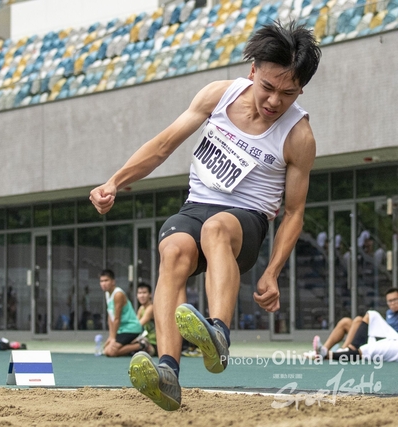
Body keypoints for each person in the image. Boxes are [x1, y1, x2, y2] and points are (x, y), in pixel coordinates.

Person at [90, 21, 321, 411]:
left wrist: (272, 272)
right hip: (196, 206)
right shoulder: (219, 95)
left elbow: (295, 212)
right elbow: (163, 146)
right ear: (253, 71)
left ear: (300, 90)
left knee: (216, 229)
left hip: (245, 221)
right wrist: (115, 181)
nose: (273, 101)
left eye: (287, 93)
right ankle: (167, 371)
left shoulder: (298, 136)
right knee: (173, 251)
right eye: (267, 87)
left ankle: (219, 334)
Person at [309, 287, 398, 359]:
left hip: (391, 343)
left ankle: (346, 350)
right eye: (389, 301)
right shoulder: (389, 313)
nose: (392, 303)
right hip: (378, 338)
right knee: (348, 321)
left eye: (395, 300)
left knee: (372, 314)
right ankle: (324, 350)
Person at [100, 269, 148, 357]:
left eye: (106, 280)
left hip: (131, 328)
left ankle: (142, 345)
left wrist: (113, 338)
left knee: (111, 352)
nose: (103, 283)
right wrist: (111, 336)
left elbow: (117, 318)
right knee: (106, 349)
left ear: (113, 281)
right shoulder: (107, 294)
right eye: (101, 281)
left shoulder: (118, 294)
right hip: (122, 329)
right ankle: (133, 347)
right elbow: (110, 316)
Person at [136, 283, 157, 356]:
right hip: (145, 339)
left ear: (150, 295)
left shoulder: (151, 308)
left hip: (154, 343)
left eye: (144, 293)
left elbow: (138, 325)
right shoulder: (141, 308)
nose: (142, 295)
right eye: (139, 293)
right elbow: (135, 323)